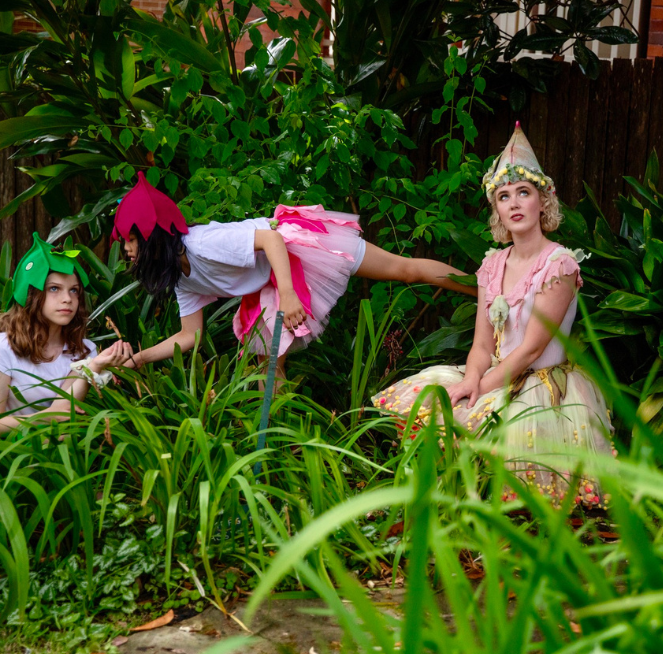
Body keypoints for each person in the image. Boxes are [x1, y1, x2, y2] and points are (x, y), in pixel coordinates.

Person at [371, 123, 613, 510]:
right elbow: (483, 343)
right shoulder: (492, 264)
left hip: (539, 385)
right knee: (434, 402)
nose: (514, 203)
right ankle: (452, 505)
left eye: (523, 192)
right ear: (497, 208)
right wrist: (470, 380)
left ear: (542, 201)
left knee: (514, 457)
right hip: (493, 371)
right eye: (504, 196)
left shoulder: (559, 264)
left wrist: (481, 390)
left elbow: (531, 350)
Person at [110, 172, 475, 375]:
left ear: (155, 238)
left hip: (300, 247)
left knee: (405, 270)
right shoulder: (183, 277)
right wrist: (139, 358)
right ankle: (282, 448)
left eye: (131, 240)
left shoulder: (204, 244)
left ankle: (482, 288)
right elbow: (191, 335)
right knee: (266, 365)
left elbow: (271, 239)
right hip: (274, 279)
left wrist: (288, 294)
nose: (126, 250)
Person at [0, 233, 132, 436]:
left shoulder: (84, 350)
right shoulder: (4, 347)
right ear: (32, 295)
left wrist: (94, 366)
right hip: (13, 454)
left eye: (74, 291)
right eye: (54, 289)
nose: (67, 299)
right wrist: (45, 418)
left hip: (65, 452)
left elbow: (64, 408)